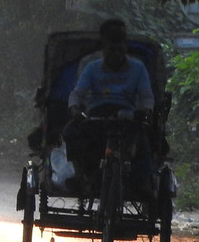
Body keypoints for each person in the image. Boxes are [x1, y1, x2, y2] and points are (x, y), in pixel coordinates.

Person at [63, 19, 155, 190]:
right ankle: (81, 174)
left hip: (127, 116)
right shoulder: (92, 67)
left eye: (119, 47)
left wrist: (147, 111)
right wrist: (75, 110)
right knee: (70, 132)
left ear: (125, 47)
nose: (116, 54)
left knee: (145, 140)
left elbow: (146, 96)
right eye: (111, 48)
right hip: (97, 115)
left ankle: (145, 181)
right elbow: (77, 93)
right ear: (104, 48)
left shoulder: (138, 68)